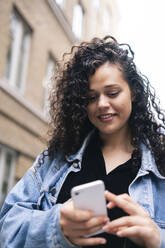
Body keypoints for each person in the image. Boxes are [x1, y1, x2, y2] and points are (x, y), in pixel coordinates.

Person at [0, 36, 165, 248]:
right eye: (91, 98)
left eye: (112, 93)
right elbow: (7, 228)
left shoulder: (161, 165)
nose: (102, 104)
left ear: (133, 92)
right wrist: (55, 225)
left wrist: (157, 239)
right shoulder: (56, 160)